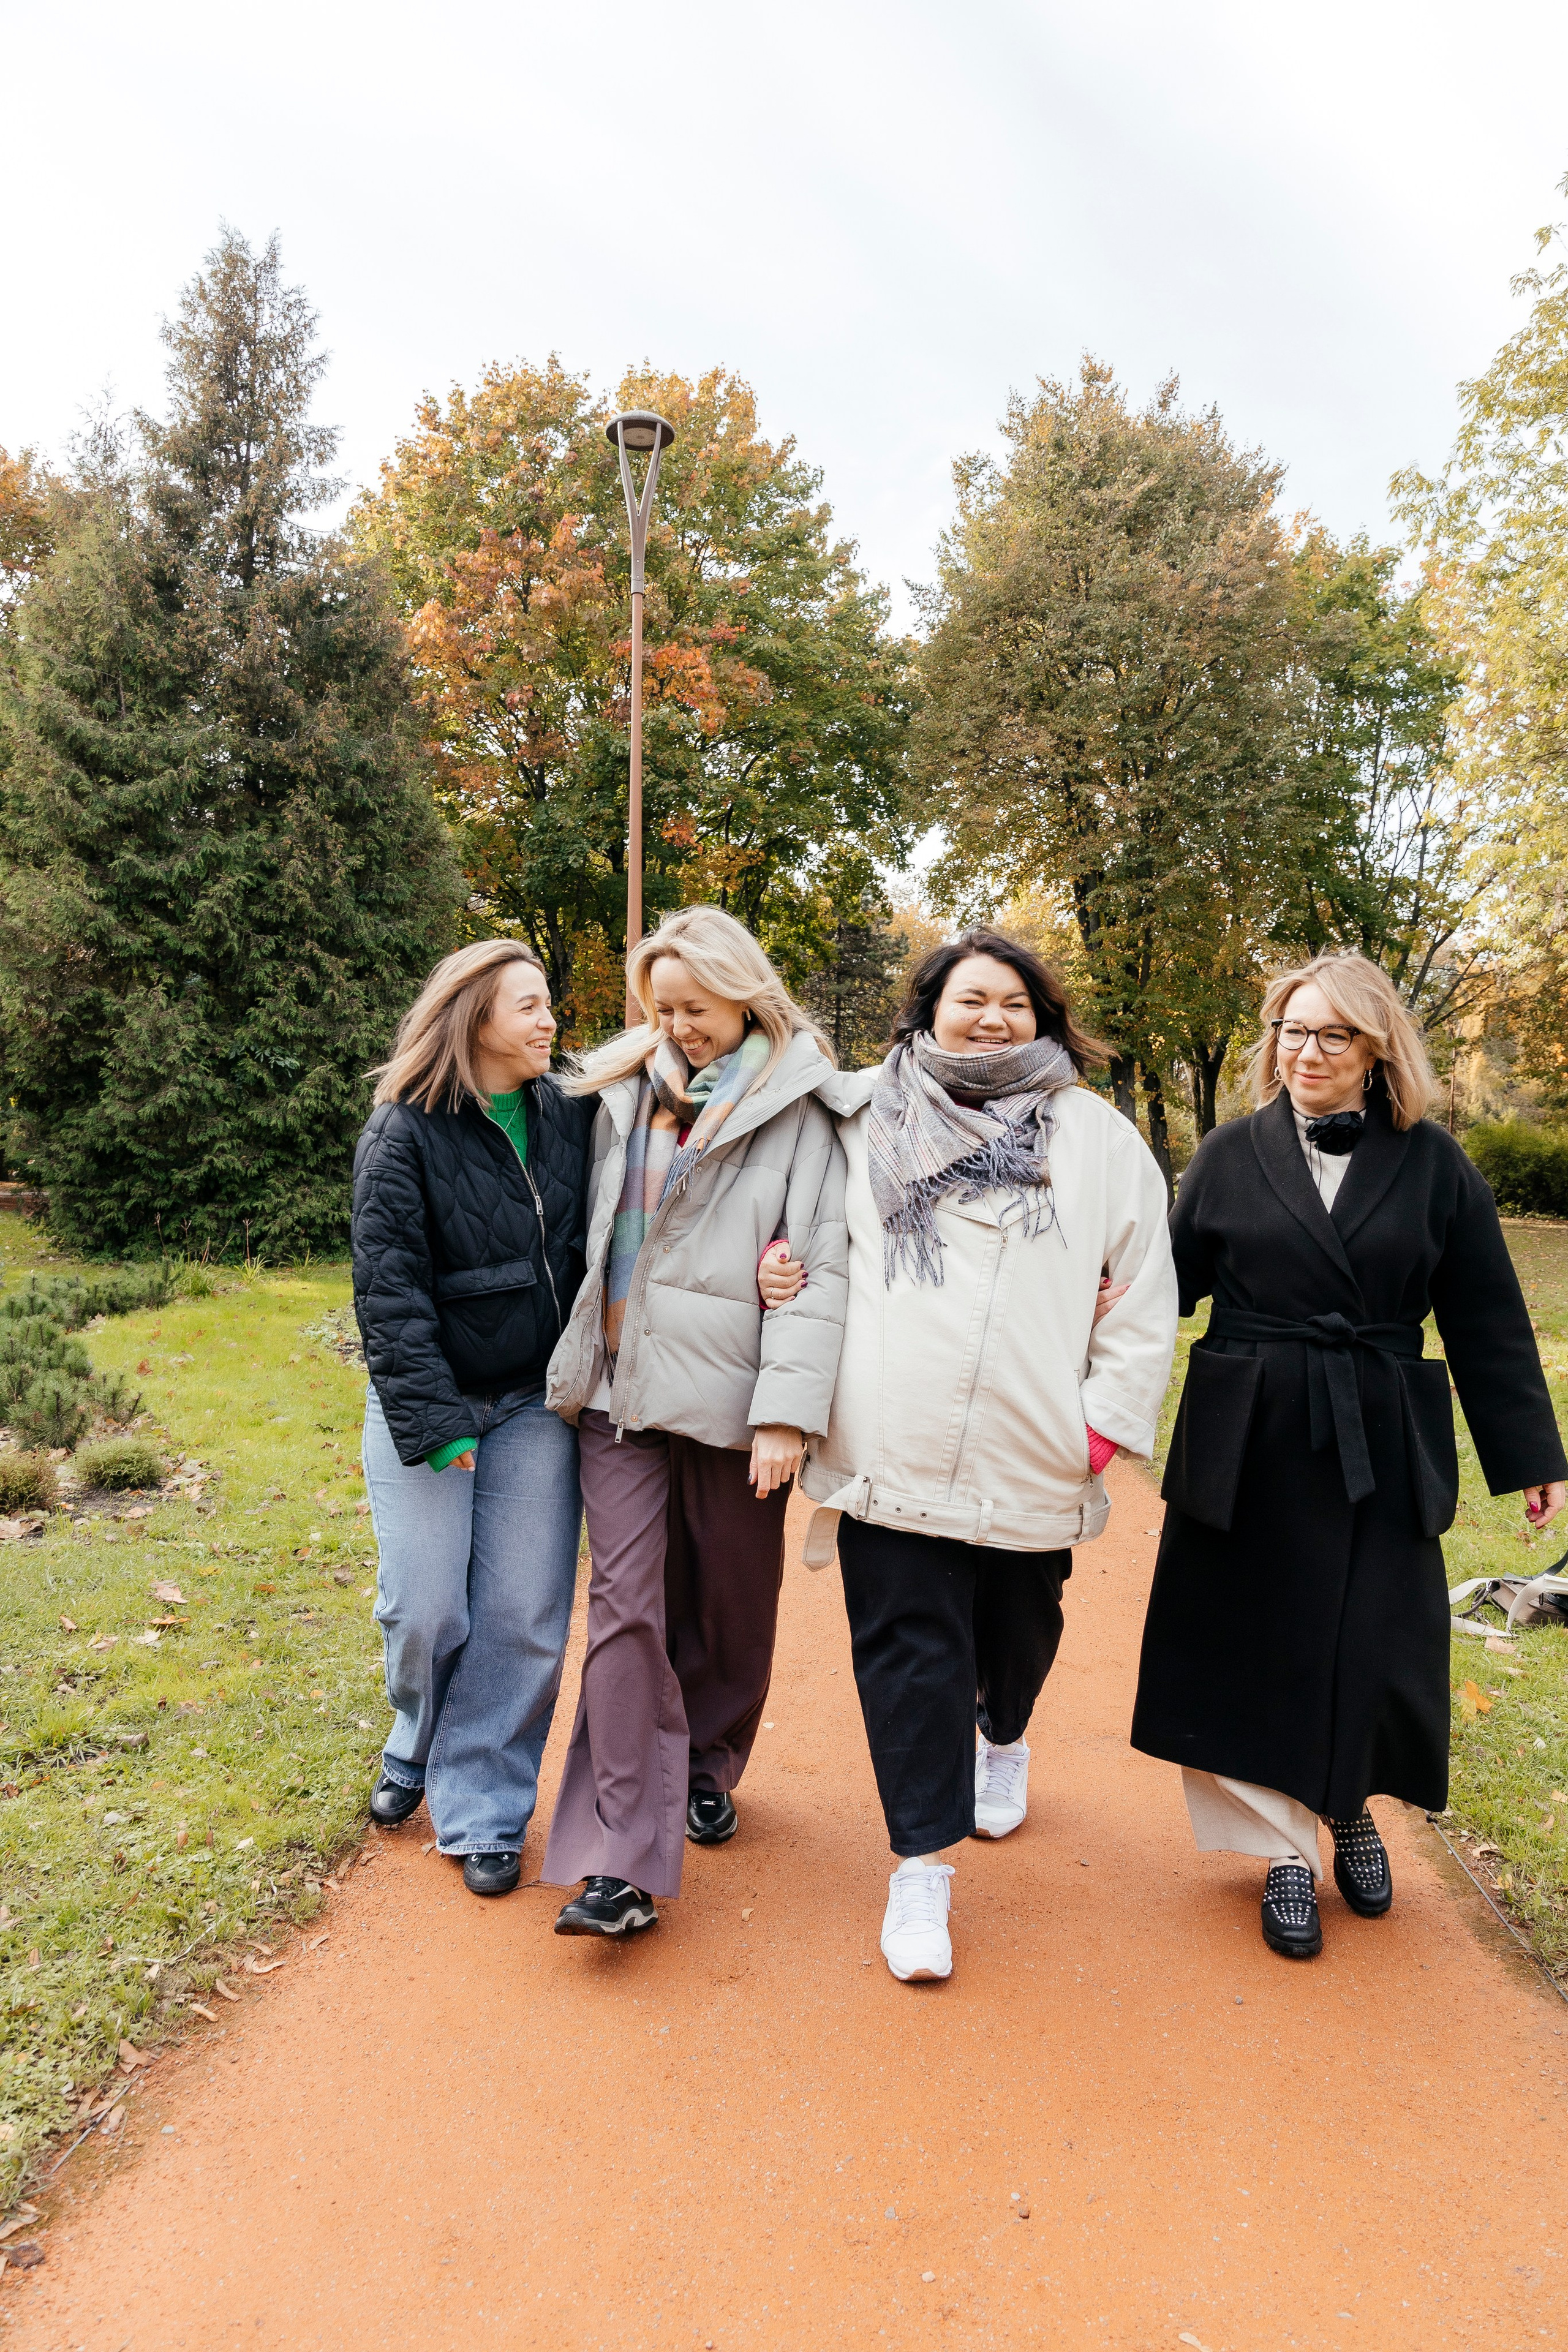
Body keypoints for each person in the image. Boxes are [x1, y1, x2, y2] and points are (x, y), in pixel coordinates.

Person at [1131, 952, 1567, 1959]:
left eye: (1334, 1035)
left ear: (1377, 1050)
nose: (1308, 1052)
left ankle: (1350, 1806)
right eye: (1293, 1030)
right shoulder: (1228, 1153)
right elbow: (1161, 1287)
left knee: (1373, 1637)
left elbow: (1488, 1317)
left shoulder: (1434, 1164)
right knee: (1252, 1639)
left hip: (1379, 1430)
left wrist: (1532, 1454)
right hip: (1249, 1435)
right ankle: (1285, 1851)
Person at [766, 928, 1178, 1985]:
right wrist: (774, 1265)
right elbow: (790, 1217)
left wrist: (1099, 1428)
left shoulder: (1096, 1138)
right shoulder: (857, 1115)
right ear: (928, 1010)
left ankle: (1005, 1731)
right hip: (889, 1440)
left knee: (1018, 1633)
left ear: (1043, 1018)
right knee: (907, 1654)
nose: (992, 1019)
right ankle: (920, 1869)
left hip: (1033, 1446)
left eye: (1014, 1003)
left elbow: (1142, 1293)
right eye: (970, 999)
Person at [541, 905, 848, 1938]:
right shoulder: (621, 1089)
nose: (678, 1026)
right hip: (620, 1393)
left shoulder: (802, 1104)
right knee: (626, 1608)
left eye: (695, 1007)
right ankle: (619, 1858)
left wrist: (786, 1416)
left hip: (733, 1397)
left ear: (745, 995)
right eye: (662, 1008)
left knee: (729, 1601)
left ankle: (709, 1763)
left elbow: (819, 1266)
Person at [352, 941, 592, 1897]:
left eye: (548, 1004)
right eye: (529, 1006)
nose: (549, 1021)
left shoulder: (571, 1112)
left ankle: (486, 1808)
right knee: (427, 1607)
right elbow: (390, 1292)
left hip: (536, 1399)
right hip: (432, 1399)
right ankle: (417, 1735)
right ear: (474, 1016)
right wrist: (439, 1421)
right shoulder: (402, 1132)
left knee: (523, 1617)